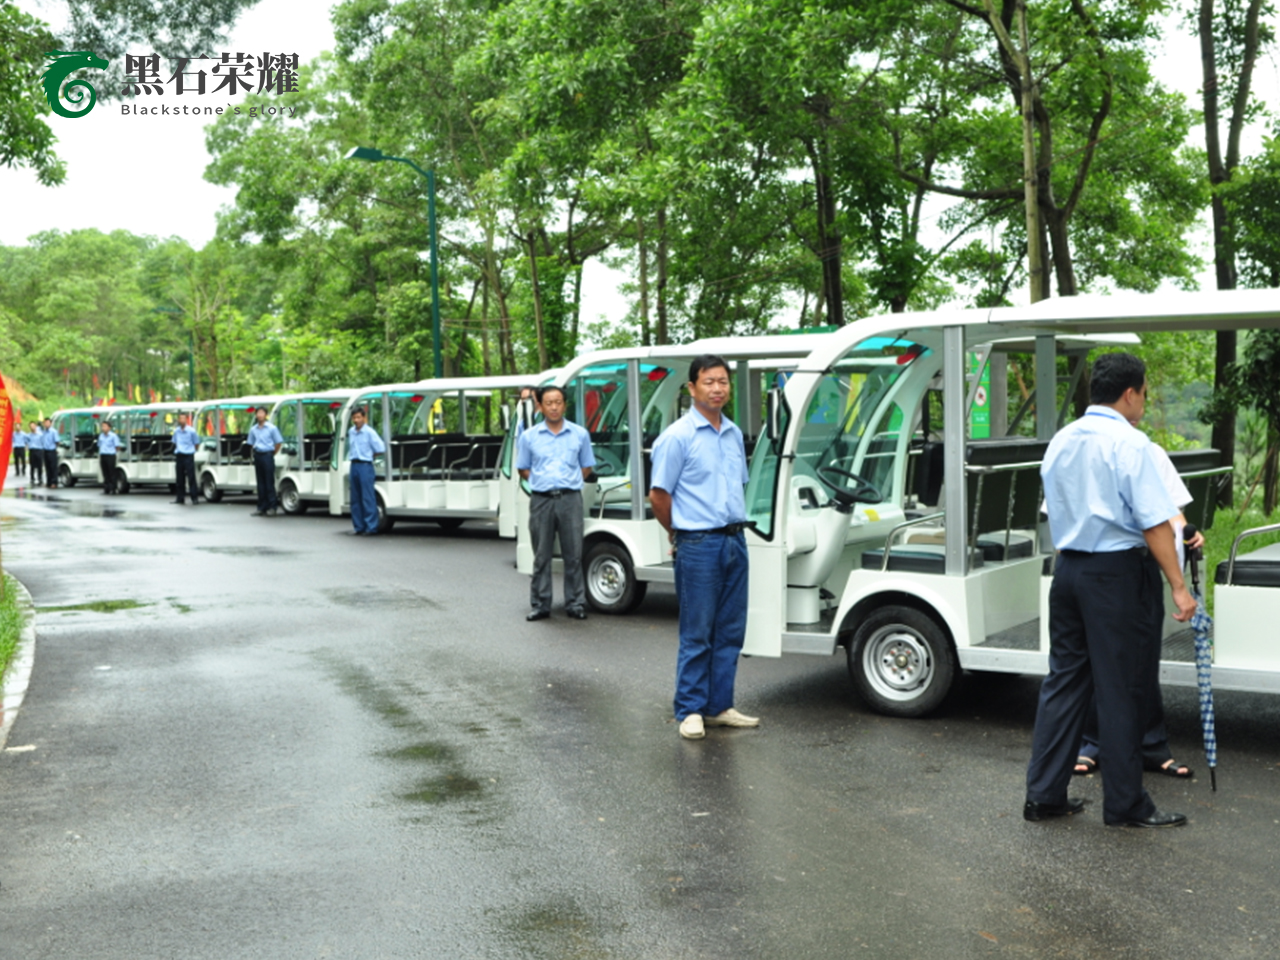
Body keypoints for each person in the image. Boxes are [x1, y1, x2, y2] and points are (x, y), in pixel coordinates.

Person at [1024, 353, 1196, 828]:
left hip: (1070, 571)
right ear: (1129, 393)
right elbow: (1156, 524)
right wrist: (1179, 588)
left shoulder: (1061, 441)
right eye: (1143, 393)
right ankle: (1125, 805)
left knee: (1064, 683)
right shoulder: (1130, 443)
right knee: (1124, 688)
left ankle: (1044, 796)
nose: (1143, 401)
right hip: (1118, 577)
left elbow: (1053, 510)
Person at [1073, 433, 1204, 780]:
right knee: (1095, 659)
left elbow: (1171, 512)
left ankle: (1150, 746)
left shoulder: (1149, 451)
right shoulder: (1074, 447)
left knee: (1142, 660)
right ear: (1130, 395)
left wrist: (1186, 532)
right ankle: (1090, 743)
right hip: (1090, 564)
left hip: (1138, 565)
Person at [650, 354, 758, 740]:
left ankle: (719, 706)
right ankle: (690, 709)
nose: (717, 388)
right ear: (692, 388)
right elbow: (659, 495)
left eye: (723, 381)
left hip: (734, 540)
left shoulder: (732, 433)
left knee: (729, 629)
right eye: (709, 381)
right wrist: (677, 532)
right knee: (698, 632)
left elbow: (735, 488)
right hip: (698, 544)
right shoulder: (677, 437)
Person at [516, 385, 595, 621]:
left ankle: (575, 603)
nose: (554, 407)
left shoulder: (580, 434)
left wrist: (568, 482)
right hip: (541, 500)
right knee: (541, 555)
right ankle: (540, 604)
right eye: (549, 402)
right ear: (540, 406)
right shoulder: (529, 437)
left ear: (565, 404)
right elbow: (523, 468)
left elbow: (587, 466)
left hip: (571, 499)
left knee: (574, 554)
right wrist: (543, 482)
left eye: (558, 402)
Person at [346, 406, 385, 535]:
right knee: (355, 498)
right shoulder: (351, 431)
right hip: (354, 465)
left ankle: (371, 527)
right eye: (354, 418)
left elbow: (380, 448)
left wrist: (370, 456)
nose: (356, 420)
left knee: (367, 497)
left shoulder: (369, 432)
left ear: (364, 418)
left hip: (365, 465)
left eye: (358, 417)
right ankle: (359, 526)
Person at [247, 406, 284, 516]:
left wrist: (272, 453)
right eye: (258, 413)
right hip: (258, 455)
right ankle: (261, 507)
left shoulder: (272, 428)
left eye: (262, 413)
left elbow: (278, 443)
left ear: (266, 415)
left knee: (269, 482)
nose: (260, 415)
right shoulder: (253, 429)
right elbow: (251, 443)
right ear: (256, 415)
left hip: (268, 455)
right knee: (260, 482)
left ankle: (272, 506)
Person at [171, 413, 201, 504]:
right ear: (179, 420)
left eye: (184, 418)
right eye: (180, 418)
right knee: (179, 478)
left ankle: (194, 498)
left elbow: (196, 443)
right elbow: (174, 442)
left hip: (188, 455)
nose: (182, 420)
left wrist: (192, 451)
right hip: (179, 455)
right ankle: (180, 498)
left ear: (186, 420)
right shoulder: (176, 431)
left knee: (191, 477)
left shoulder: (191, 431)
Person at [97, 420, 124, 494]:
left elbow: (117, 447)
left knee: (111, 472)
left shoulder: (113, 436)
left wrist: (113, 452)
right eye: (102, 426)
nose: (103, 428)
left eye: (105, 426)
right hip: (103, 455)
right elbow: (99, 445)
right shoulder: (101, 436)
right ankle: (106, 488)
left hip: (110, 455)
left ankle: (113, 488)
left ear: (109, 427)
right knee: (105, 473)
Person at [40, 417, 59, 488]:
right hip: (45, 451)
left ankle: (54, 482)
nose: (46, 424)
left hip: (52, 451)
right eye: (45, 423)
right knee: (47, 467)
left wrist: (55, 448)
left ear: (50, 423)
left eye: (48, 422)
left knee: (53, 467)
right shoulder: (44, 432)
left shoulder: (53, 431)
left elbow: (57, 441)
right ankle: (49, 481)